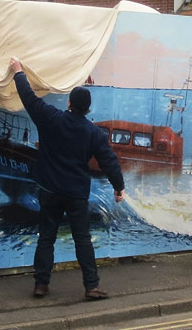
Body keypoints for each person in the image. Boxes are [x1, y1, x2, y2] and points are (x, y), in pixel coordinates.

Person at [9, 57, 125, 300]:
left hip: (49, 190)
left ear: (70, 102)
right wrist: (118, 187)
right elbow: (109, 162)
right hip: (76, 194)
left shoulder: (51, 118)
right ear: (88, 109)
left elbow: (29, 98)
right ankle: (91, 286)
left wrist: (18, 72)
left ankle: (41, 285)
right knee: (82, 240)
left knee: (46, 238)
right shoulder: (93, 132)